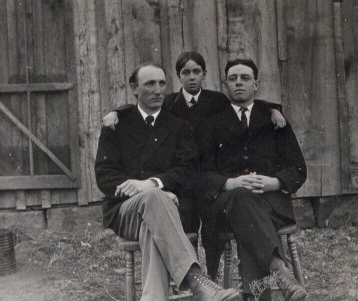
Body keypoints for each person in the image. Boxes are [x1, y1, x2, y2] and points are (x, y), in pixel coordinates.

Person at [94, 63, 240, 301]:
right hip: (125, 210)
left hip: (165, 213)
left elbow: (187, 171)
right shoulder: (116, 125)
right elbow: (104, 176)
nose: (158, 90)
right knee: (153, 200)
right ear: (134, 88)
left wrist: (153, 185)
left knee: (155, 211)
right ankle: (196, 280)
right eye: (149, 84)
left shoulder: (179, 126)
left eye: (162, 83)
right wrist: (139, 190)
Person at [102, 51, 286, 281]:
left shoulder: (217, 100)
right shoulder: (168, 102)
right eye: (186, 72)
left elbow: (247, 102)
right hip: (184, 178)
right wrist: (115, 111)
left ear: (205, 74)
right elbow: (141, 109)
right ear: (179, 76)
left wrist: (273, 109)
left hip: (209, 171)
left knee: (212, 226)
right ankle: (192, 275)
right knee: (188, 223)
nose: (192, 77)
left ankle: (211, 275)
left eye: (196, 71)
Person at [196, 58, 308, 301]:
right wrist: (229, 183)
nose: (239, 82)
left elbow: (298, 168)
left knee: (247, 224)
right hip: (227, 202)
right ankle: (279, 271)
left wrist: (273, 182)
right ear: (225, 84)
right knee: (242, 202)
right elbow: (200, 173)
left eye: (245, 78)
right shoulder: (211, 124)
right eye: (233, 78)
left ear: (256, 84)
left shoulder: (275, 121)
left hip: (270, 202)